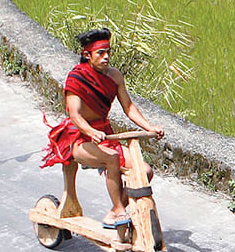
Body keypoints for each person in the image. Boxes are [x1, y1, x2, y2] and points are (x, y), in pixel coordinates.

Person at [42, 28, 164, 232]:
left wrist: (149, 127)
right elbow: (75, 114)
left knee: (145, 171)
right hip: (80, 140)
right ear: (87, 55)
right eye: (100, 53)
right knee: (112, 157)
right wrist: (90, 131)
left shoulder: (115, 76)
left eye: (108, 52)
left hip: (106, 136)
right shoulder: (76, 78)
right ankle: (118, 209)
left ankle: (115, 212)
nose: (106, 57)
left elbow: (129, 106)